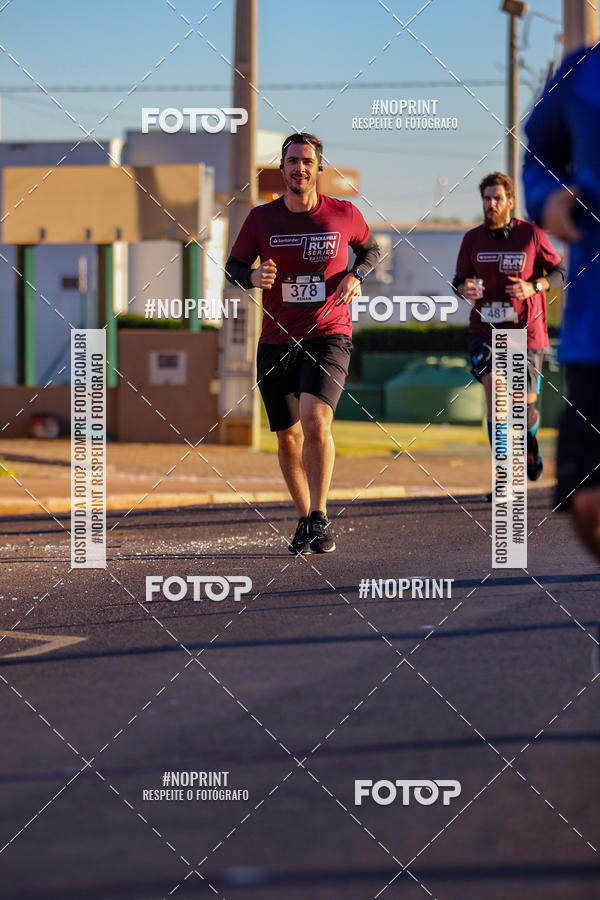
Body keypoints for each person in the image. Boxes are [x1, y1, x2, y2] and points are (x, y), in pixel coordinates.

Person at [225, 132, 380, 554]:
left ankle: (321, 514)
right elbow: (233, 267)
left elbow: (372, 250)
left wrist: (356, 275)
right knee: (288, 438)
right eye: (292, 161)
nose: (300, 168)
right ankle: (303, 517)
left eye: (307, 161)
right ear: (283, 168)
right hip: (276, 339)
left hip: (328, 333)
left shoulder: (343, 214)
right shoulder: (261, 219)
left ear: (318, 168)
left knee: (315, 420)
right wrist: (253, 277)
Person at [523, 44, 600, 561]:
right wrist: (546, 197)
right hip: (595, 333)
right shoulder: (582, 72)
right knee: (588, 503)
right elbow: (537, 157)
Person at [453, 172, 565, 500]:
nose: (491, 204)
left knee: (523, 408)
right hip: (485, 331)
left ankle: (529, 440)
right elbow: (459, 280)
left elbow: (559, 271)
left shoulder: (531, 235)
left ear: (510, 202)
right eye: (487, 199)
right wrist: (465, 288)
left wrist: (534, 286)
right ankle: (504, 478)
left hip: (525, 334)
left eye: (497, 198)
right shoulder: (472, 239)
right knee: (498, 396)